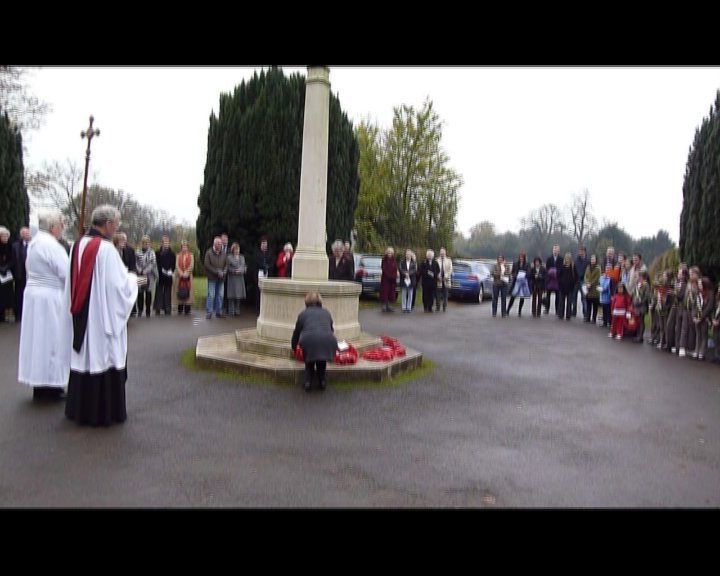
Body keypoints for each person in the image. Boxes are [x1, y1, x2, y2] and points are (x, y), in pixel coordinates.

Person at [64, 205, 139, 426]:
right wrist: (134, 280)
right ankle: (104, 412)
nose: (116, 229)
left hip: (83, 315)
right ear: (107, 224)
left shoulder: (78, 245)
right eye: (116, 225)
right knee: (103, 356)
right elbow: (118, 287)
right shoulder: (106, 250)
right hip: (101, 317)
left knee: (85, 358)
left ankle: (80, 410)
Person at [18, 211, 71, 401]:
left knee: (37, 341)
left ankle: (40, 383)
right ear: (52, 227)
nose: (63, 228)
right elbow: (66, 273)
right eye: (61, 224)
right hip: (50, 298)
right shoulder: (52, 246)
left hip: (34, 296)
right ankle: (50, 384)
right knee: (51, 340)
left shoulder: (34, 243)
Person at [291, 292, 337, 392]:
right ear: (320, 302)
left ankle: (308, 382)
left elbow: (296, 333)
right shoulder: (326, 312)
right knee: (321, 360)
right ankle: (322, 381)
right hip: (328, 340)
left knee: (309, 360)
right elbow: (331, 329)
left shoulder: (303, 314)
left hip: (309, 341)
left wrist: (294, 347)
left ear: (306, 302)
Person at [204, 236, 227, 319]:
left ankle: (218, 312)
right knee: (211, 295)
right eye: (218, 243)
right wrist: (217, 271)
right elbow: (207, 265)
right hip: (212, 278)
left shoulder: (224, 253)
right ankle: (209, 312)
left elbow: (226, 265)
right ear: (214, 244)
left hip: (221, 278)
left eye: (220, 243)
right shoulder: (208, 253)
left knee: (220, 295)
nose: (220, 245)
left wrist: (224, 272)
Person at [11, 226, 31, 323]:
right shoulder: (15, 246)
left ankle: (27, 315)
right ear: (21, 235)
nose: (26, 235)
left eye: (27, 233)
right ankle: (18, 315)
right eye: (24, 233)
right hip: (19, 275)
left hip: (30, 275)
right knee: (18, 295)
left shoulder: (32, 245)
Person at [135, 235, 157, 318]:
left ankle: (148, 310)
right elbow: (135, 262)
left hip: (149, 275)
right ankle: (140, 310)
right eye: (144, 243)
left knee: (148, 293)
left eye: (147, 243)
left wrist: (146, 271)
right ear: (142, 243)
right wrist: (140, 270)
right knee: (140, 293)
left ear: (149, 243)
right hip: (140, 275)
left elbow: (153, 263)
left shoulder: (152, 252)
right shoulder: (137, 251)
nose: (145, 244)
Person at [154, 235, 175, 315]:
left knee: (167, 292)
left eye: (167, 242)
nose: (166, 244)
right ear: (162, 243)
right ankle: (158, 308)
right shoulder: (157, 253)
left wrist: (171, 270)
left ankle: (167, 308)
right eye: (164, 242)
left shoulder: (172, 253)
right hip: (160, 274)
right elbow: (155, 263)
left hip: (168, 275)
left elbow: (173, 264)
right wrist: (160, 270)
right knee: (158, 292)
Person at [226, 242, 247, 316]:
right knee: (232, 295)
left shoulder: (242, 257)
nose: (237, 251)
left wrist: (243, 270)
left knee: (238, 295)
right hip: (232, 278)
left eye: (238, 249)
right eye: (235, 249)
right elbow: (227, 268)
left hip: (240, 278)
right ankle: (231, 311)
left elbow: (244, 266)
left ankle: (237, 310)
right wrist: (234, 271)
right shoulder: (229, 257)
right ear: (233, 250)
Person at [176, 239, 194, 315]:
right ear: (181, 247)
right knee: (180, 291)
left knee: (188, 291)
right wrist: (181, 273)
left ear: (187, 247)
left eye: (185, 246)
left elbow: (192, 265)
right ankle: (180, 309)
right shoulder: (178, 255)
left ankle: (187, 309)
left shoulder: (191, 255)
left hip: (188, 277)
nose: (184, 248)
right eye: (183, 246)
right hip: (180, 277)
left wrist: (186, 272)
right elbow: (176, 265)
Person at [0, 226, 14, 323]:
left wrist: (6, 267)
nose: (5, 238)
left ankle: (5, 315)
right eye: (3, 236)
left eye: (6, 236)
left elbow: (13, 259)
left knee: (6, 296)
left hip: (7, 275)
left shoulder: (10, 246)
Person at [435, 247, 453, 312]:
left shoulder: (449, 260)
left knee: (445, 295)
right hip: (438, 280)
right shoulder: (436, 260)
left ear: (445, 253)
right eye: (441, 252)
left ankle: (444, 306)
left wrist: (446, 276)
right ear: (440, 253)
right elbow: (435, 270)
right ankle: (438, 307)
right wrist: (437, 276)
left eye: (443, 252)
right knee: (438, 295)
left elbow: (450, 270)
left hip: (446, 280)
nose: (442, 253)